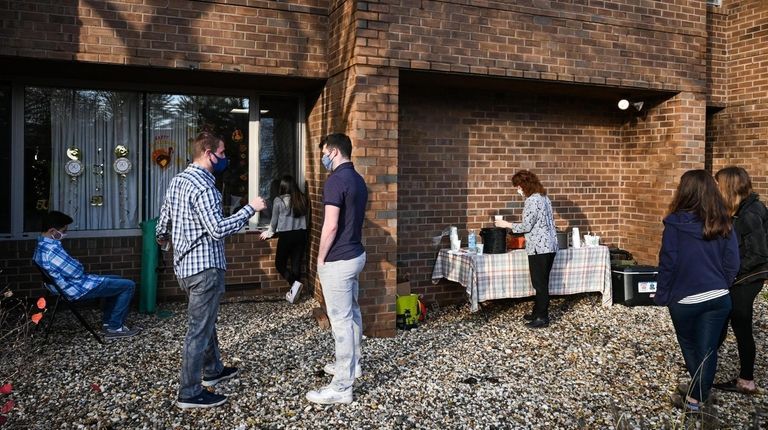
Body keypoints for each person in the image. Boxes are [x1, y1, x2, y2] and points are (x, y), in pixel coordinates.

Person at [156, 131, 266, 409]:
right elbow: (217, 229)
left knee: (205, 323)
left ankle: (214, 370)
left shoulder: (178, 181)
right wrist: (249, 210)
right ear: (208, 153)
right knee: (198, 329)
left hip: (185, 269)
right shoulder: (205, 187)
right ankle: (190, 393)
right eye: (223, 152)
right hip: (205, 269)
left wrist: (176, 251)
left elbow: (162, 228)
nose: (225, 158)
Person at [654, 169, 739, 413]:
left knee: (692, 348)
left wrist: (663, 296)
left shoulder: (674, 224)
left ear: (685, 191)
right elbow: (732, 263)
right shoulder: (724, 222)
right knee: (708, 350)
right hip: (718, 298)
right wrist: (720, 284)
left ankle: (695, 401)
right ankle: (698, 392)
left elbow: (667, 262)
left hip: (684, 300)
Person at [305, 132, 368, 405]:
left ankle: (342, 387)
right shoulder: (358, 180)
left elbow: (330, 226)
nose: (323, 158)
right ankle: (353, 366)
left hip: (339, 260)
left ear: (332, 151)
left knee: (340, 323)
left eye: (324, 153)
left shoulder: (335, 182)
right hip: (356, 256)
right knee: (352, 314)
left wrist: (320, 259)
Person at [33, 211, 139, 340]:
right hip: (75, 288)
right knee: (128, 286)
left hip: (64, 285)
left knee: (118, 280)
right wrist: (77, 264)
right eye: (63, 230)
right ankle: (115, 328)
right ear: (52, 231)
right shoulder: (52, 251)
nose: (65, 234)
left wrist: (75, 265)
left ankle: (108, 323)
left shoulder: (42, 246)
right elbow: (77, 271)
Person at [712, 166, 768, 395]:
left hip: (747, 278)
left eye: (717, 184)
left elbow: (759, 254)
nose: (715, 188)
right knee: (722, 320)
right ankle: (703, 363)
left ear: (728, 186)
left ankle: (746, 381)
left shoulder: (751, 213)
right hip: (738, 277)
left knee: (740, 324)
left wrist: (731, 273)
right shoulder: (739, 210)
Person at [494, 170, 558, 329]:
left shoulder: (531, 201)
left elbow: (526, 226)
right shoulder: (544, 197)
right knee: (542, 282)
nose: (518, 190)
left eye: (518, 187)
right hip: (550, 245)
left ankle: (542, 318)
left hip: (538, 247)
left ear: (525, 185)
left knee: (540, 284)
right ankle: (537, 312)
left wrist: (506, 225)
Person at [259, 174, 308, 304]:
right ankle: (294, 294)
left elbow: (274, 221)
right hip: (301, 234)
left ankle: (295, 285)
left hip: (286, 235)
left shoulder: (278, 201)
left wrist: (269, 232)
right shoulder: (302, 198)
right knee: (296, 265)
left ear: (283, 187)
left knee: (279, 264)